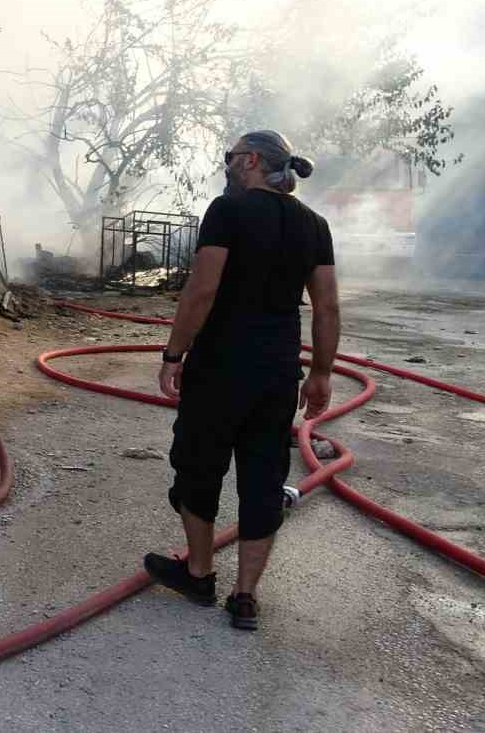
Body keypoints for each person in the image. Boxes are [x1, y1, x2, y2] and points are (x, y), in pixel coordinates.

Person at [144, 129, 339, 632]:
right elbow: (327, 306)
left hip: (220, 367)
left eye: (230, 157)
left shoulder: (227, 211)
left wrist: (173, 354)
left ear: (249, 160)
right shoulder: (314, 225)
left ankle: (199, 574)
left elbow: (202, 290)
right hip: (277, 372)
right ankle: (246, 596)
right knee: (263, 477)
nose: (225, 165)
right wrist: (320, 372)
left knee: (197, 467)